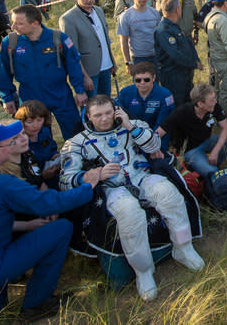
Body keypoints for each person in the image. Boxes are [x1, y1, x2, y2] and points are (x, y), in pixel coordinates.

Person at [61, 95, 204, 301]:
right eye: (98, 115)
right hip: (112, 188)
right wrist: (95, 174)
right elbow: (65, 180)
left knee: (168, 194)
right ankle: (144, 271)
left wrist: (129, 126)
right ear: (89, 117)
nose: (104, 119)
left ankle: (183, 248)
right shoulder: (77, 142)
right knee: (130, 212)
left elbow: (155, 146)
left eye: (108, 113)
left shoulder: (133, 125)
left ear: (116, 110)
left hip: (141, 177)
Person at [0, 120, 101, 322]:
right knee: (61, 228)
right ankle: (36, 303)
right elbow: (48, 204)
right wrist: (87, 187)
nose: (16, 143)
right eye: (11, 141)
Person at [0, 5, 86, 141]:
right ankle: (45, 160)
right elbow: (3, 72)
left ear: (35, 23)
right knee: (36, 138)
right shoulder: (10, 43)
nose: (14, 26)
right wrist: (6, 97)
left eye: (19, 23)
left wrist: (79, 90)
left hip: (60, 95)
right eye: (13, 22)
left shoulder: (58, 38)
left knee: (75, 133)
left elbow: (74, 65)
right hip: (30, 96)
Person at [157, 84, 227, 178]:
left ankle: (213, 162)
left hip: (207, 141)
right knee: (212, 172)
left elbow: (226, 128)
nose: (215, 101)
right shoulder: (182, 112)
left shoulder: (214, 106)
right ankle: (201, 167)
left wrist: (215, 151)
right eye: (211, 100)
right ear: (200, 104)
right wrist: (153, 150)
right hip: (190, 150)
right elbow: (159, 132)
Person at [59, 0, 116, 97]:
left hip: (106, 67)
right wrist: (84, 76)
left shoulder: (99, 11)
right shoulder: (68, 19)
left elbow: (105, 39)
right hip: (89, 72)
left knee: (106, 103)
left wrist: (112, 62)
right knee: (92, 108)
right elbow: (72, 53)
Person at [154, 0, 202, 105]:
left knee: (188, 102)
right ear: (177, 10)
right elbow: (175, 54)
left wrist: (196, 59)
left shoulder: (174, 26)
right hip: (173, 76)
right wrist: (194, 63)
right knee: (178, 105)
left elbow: (188, 44)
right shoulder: (164, 30)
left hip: (183, 73)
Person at [118, 62, 174, 151]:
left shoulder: (165, 95)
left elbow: (164, 124)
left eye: (146, 80)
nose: (142, 83)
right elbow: (121, 120)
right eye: (138, 80)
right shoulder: (125, 93)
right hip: (132, 135)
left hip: (157, 136)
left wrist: (148, 142)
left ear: (154, 78)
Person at [13, 100, 60, 187]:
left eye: (39, 120)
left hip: (51, 172)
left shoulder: (44, 132)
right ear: (22, 122)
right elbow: (21, 171)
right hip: (31, 182)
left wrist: (56, 156)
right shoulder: (19, 142)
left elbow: (51, 148)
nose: (36, 125)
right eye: (30, 122)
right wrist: (42, 176)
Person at [117, 0, 161, 75]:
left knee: (156, 85)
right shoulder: (126, 16)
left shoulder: (154, 13)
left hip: (155, 56)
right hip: (138, 57)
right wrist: (128, 63)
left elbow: (160, 35)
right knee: (141, 86)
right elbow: (123, 40)